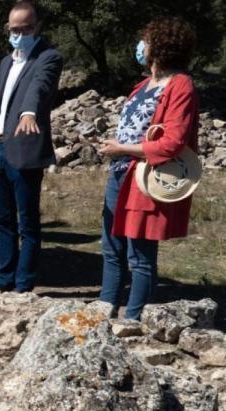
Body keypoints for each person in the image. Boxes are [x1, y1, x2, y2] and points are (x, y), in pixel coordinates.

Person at [97, 18, 199, 320]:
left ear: (162, 45)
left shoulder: (181, 85)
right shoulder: (144, 84)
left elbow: (173, 142)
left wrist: (123, 149)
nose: (141, 46)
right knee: (111, 247)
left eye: (147, 40)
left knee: (139, 254)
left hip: (145, 178)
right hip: (120, 173)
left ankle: (133, 320)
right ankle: (105, 310)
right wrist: (114, 147)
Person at [0, 1, 63, 292]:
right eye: (14, 29)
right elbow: (3, 101)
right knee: (2, 220)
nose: (19, 34)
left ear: (37, 26)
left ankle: (24, 284)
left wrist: (29, 113)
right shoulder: (6, 62)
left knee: (27, 222)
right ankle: (4, 279)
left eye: (25, 28)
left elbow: (39, 88)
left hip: (24, 151)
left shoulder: (48, 58)